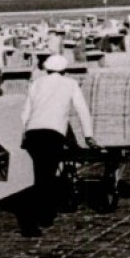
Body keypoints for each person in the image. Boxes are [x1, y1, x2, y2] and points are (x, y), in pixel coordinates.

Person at [18, 54, 94, 237]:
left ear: (47, 69)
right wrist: (89, 135)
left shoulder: (36, 83)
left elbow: (25, 113)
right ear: (64, 70)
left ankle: (45, 214)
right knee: (46, 176)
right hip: (53, 134)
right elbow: (82, 110)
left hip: (33, 133)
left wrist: (24, 134)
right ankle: (33, 221)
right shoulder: (70, 84)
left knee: (41, 172)